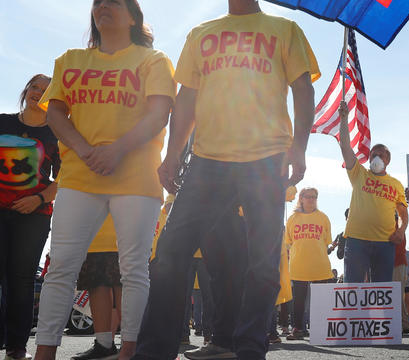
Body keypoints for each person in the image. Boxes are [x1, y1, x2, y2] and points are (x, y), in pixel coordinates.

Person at [134, 0, 320, 358]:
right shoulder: (201, 33)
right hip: (207, 160)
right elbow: (186, 98)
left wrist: (299, 146)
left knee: (263, 260)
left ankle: (250, 347)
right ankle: (154, 350)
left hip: (266, 159)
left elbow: (303, 88)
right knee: (171, 250)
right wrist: (172, 155)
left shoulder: (285, 30)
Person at [34, 0, 176, 358]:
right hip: (80, 178)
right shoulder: (70, 59)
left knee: (133, 268)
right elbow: (55, 114)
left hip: (136, 177)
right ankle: (45, 350)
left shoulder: (153, 60)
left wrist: (116, 151)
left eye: (113, 1)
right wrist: (85, 150)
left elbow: (159, 114)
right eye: (98, 2)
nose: (103, 6)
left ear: (133, 16)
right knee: (62, 266)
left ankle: (130, 349)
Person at [0, 74, 60, 360]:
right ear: (26, 89)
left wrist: (39, 198)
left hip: (34, 214)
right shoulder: (0, 122)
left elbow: (65, 177)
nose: (38, 93)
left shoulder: (56, 134)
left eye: (46, 91)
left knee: (21, 280)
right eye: (34, 87)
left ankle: (16, 348)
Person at [338, 101, 408, 283]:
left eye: (381, 155)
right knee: (352, 288)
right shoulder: (359, 173)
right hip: (356, 241)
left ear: (388, 160)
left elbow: (402, 213)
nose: (376, 157)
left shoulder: (396, 184)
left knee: (381, 291)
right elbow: (345, 148)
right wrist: (343, 119)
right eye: (373, 155)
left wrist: (401, 230)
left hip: (384, 244)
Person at [284, 188, 334, 340]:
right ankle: (298, 329)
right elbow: (288, 242)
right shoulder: (292, 218)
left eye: (314, 197)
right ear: (301, 198)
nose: (311, 199)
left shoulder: (323, 218)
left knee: (320, 299)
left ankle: (321, 329)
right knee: (298, 300)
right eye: (308, 197)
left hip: (320, 264)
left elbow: (326, 242)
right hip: (299, 265)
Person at [72, 216, 122, 360]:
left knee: (125, 283)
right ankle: (104, 345)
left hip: (124, 229)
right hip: (93, 233)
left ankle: (131, 343)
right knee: (96, 282)